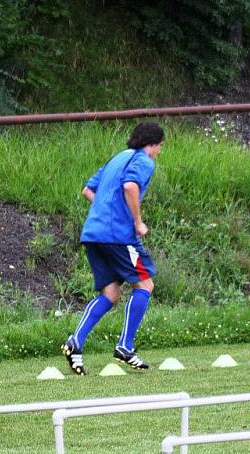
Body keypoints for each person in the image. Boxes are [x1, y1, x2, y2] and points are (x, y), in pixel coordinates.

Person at [62, 121, 164, 375]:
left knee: (111, 294)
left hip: (93, 233)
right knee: (145, 284)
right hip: (118, 235)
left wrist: (105, 210)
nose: (159, 152)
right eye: (160, 147)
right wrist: (137, 221)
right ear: (151, 144)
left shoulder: (118, 157)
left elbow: (88, 189)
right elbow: (131, 186)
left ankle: (75, 342)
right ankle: (125, 346)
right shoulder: (143, 160)